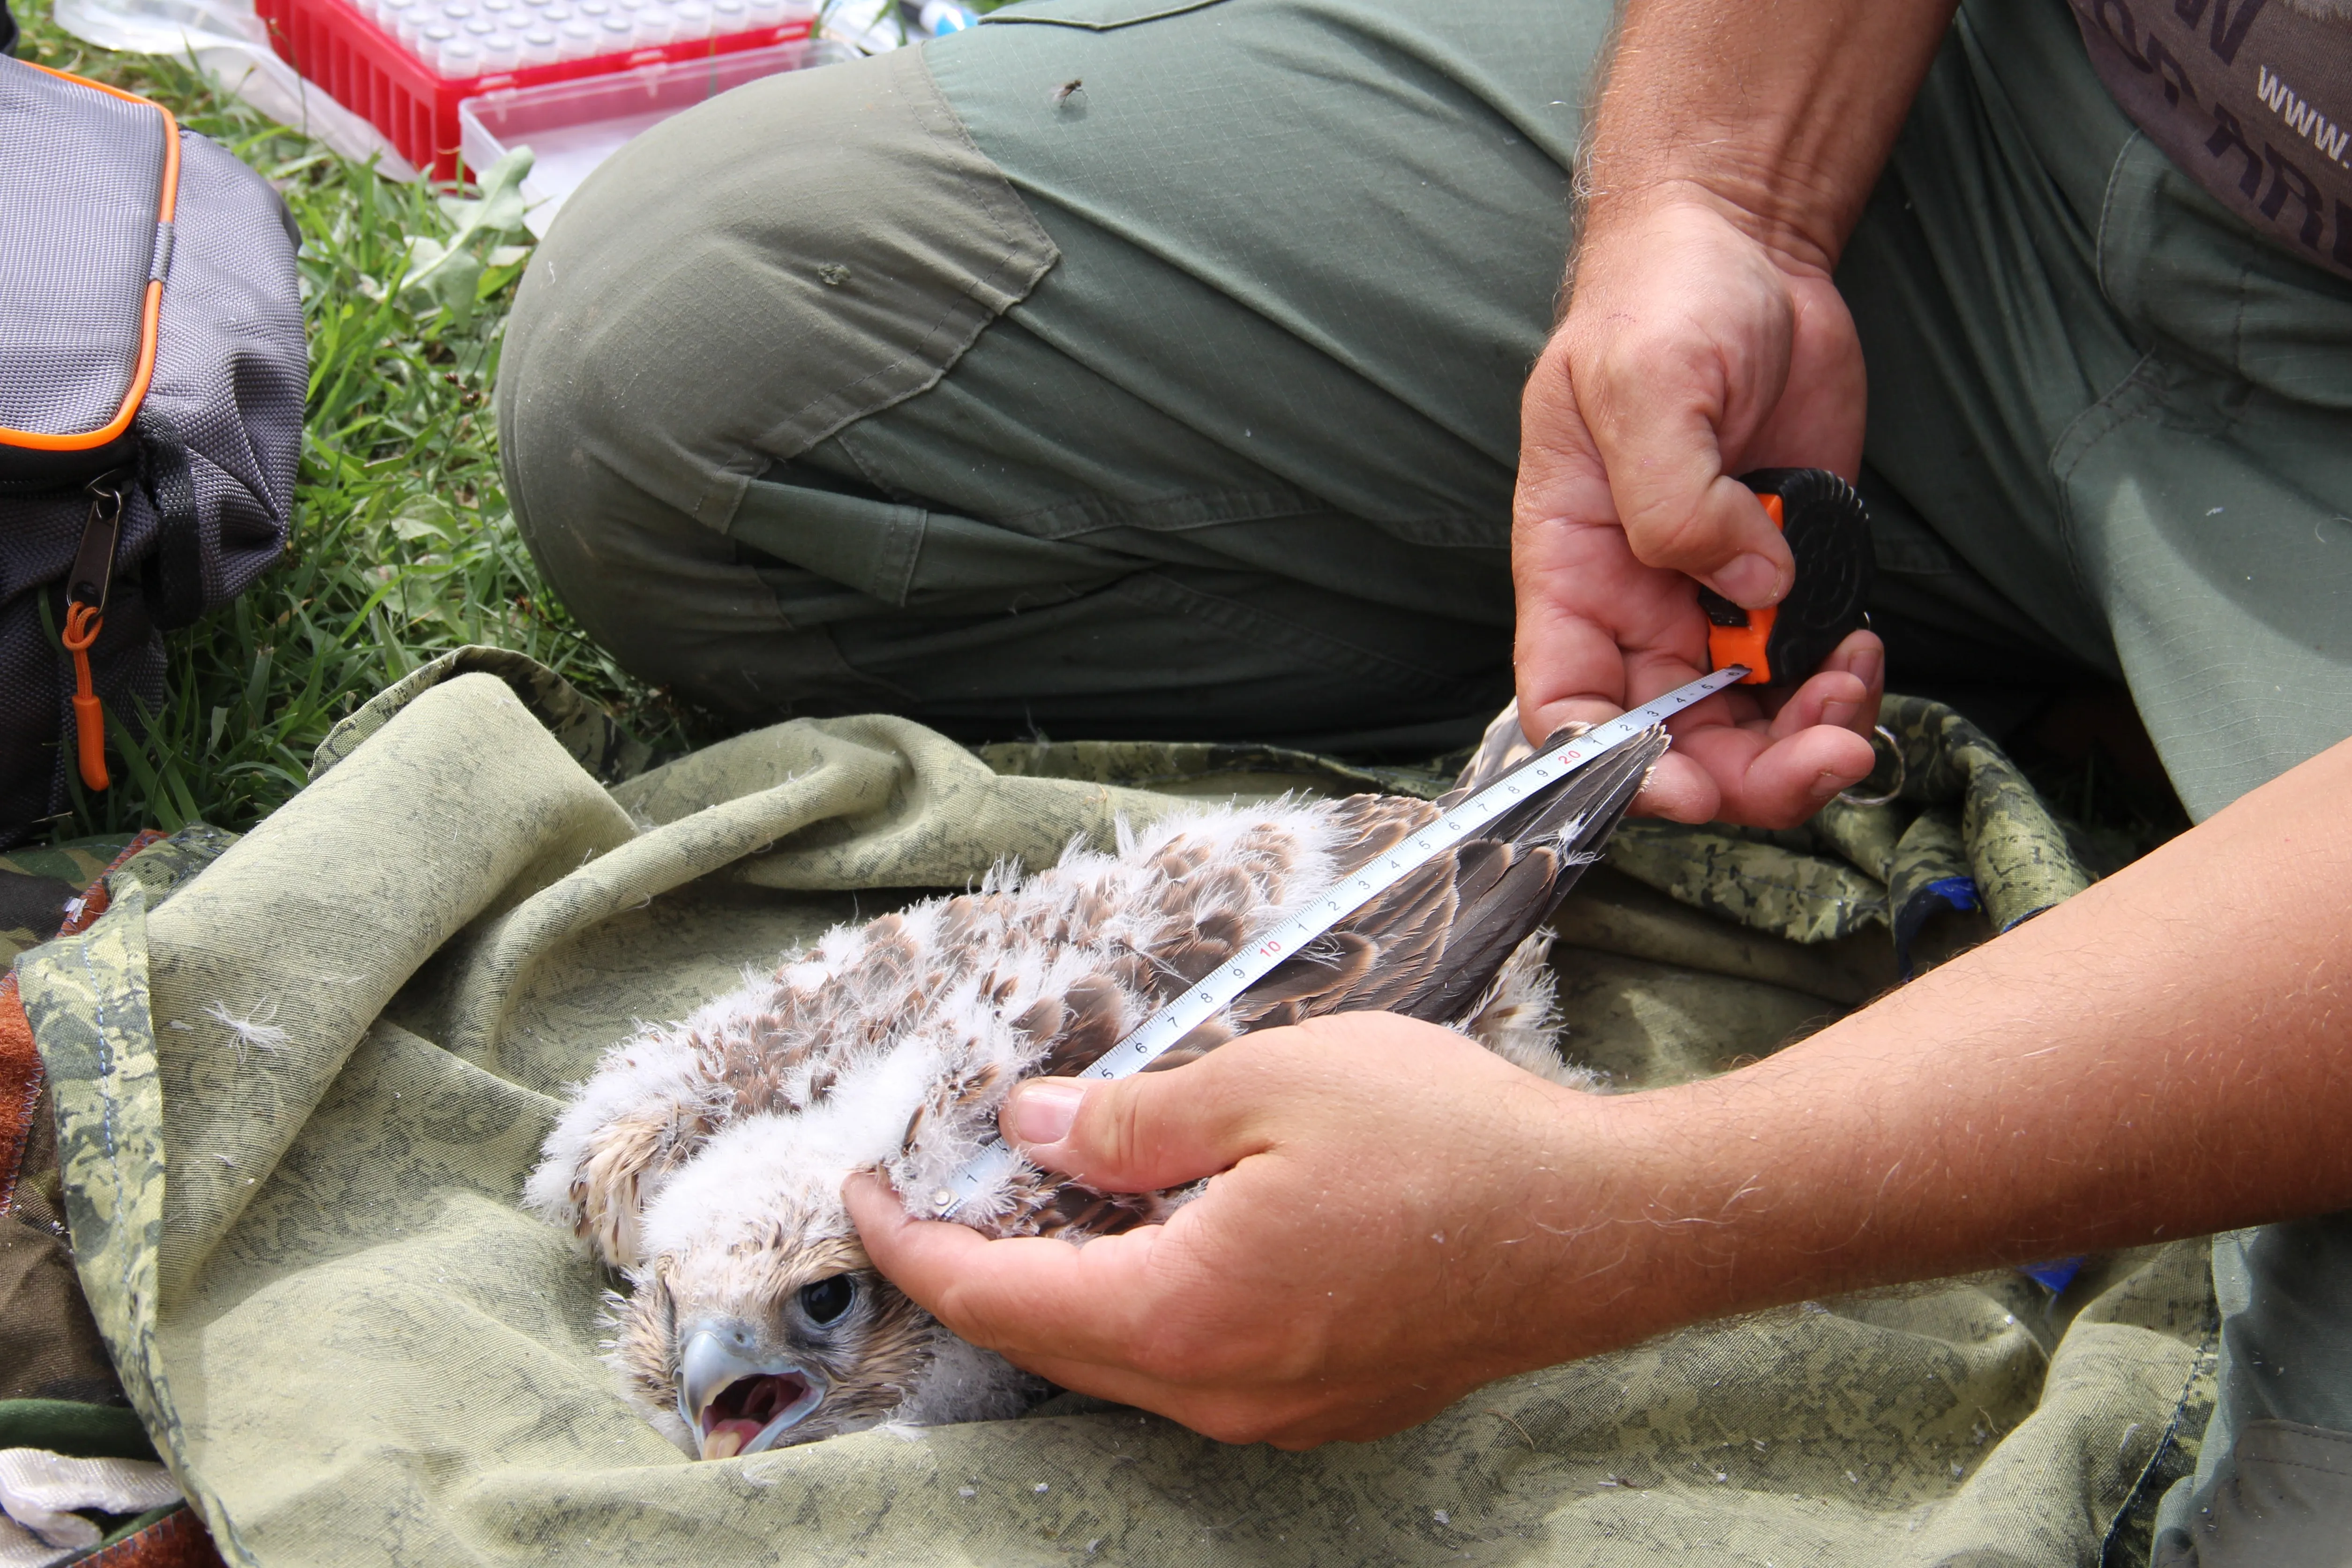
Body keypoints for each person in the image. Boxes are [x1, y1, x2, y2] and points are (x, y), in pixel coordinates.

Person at [494, 0, 2352, 1558]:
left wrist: (1632, 1215)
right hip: (2035, 108)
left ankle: (2144, 735)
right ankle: (2018, 662)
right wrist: (1724, 203)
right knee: (706, 371)